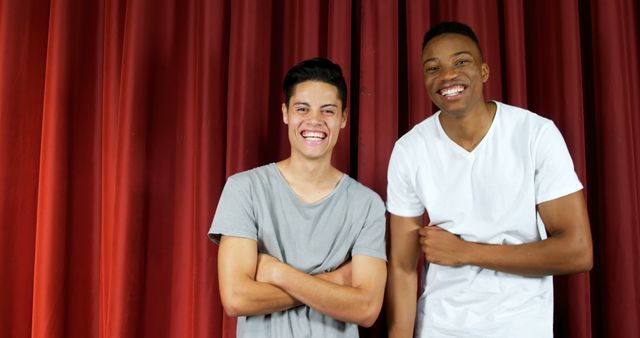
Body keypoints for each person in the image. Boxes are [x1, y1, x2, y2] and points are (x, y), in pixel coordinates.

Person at [385, 21, 593, 338]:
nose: (447, 76)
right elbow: (401, 268)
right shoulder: (409, 150)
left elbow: (577, 251)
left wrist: (466, 252)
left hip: (522, 326)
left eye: (461, 61)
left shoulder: (535, 134)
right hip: (440, 327)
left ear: (484, 71)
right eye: (433, 68)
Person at [209, 57, 387, 338]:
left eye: (327, 111)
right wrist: (335, 281)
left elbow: (366, 309)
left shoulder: (368, 205)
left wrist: (279, 273)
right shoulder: (244, 189)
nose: (314, 121)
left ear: (343, 118)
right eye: (302, 109)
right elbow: (236, 298)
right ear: (285, 113)